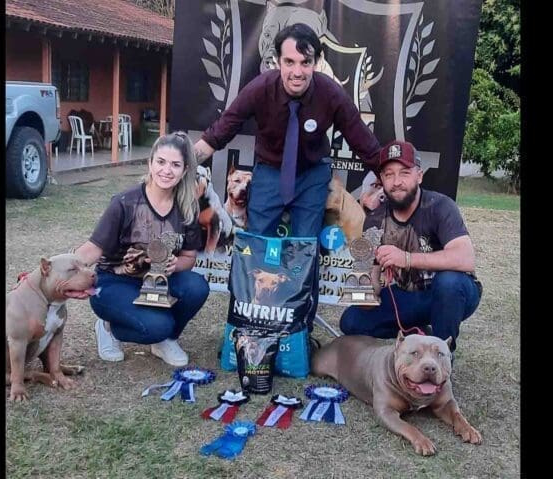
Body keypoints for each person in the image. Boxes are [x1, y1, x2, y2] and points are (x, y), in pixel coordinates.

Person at [193, 23, 381, 331]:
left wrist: (396, 178)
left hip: (312, 174)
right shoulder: (260, 88)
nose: (297, 71)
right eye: (289, 62)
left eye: (305, 63)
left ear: (317, 63)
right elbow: (221, 131)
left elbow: (365, 144)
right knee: (255, 245)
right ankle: (247, 323)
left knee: (304, 248)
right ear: (277, 61)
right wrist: (183, 164)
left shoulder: (331, 93)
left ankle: (298, 328)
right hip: (268, 171)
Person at [75, 131, 210, 365]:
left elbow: (189, 257)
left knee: (197, 287)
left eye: (175, 165)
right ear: (150, 163)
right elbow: (92, 250)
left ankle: (166, 340)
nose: (167, 170)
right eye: (161, 162)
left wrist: (175, 264)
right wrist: (54, 271)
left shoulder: (187, 207)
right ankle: (108, 328)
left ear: (185, 170)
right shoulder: (124, 202)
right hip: (114, 282)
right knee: (158, 325)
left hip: (158, 280)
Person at [340, 140, 482, 354]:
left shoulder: (440, 206)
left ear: (419, 175)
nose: (397, 182)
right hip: (408, 296)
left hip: (449, 293)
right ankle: (417, 332)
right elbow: (367, 286)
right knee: (350, 322)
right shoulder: (374, 220)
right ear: (382, 181)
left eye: (404, 173)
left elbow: (465, 258)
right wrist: (361, 286)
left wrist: (406, 259)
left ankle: (441, 354)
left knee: (449, 282)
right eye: (389, 175)